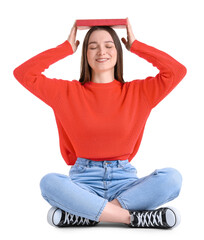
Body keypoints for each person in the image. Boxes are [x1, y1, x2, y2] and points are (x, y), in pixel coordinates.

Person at [13, 18, 187, 229]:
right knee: (49, 182)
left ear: (118, 51)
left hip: (126, 183)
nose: (101, 52)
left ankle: (87, 213)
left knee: (172, 178)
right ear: (85, 54)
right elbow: (23, 74)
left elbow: (176, 71)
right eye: (92, 47)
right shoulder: (66, 93)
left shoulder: (140, 93)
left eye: (108, 45)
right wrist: (65, 48)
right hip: (83, 183)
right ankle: (130, 218)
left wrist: (136, 46)